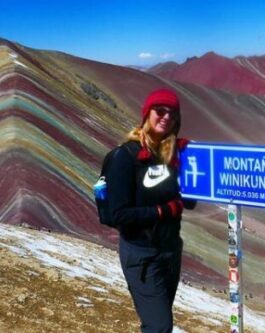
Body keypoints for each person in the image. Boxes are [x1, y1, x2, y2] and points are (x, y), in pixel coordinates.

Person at [97, 88, 196, 332]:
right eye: (160, 111)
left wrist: (194, 163)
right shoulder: (125, 157)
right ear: (146, 115)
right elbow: (119, 215)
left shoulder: (171, 155)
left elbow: (189, 202)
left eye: (172, 114)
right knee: (159, 326)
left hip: (170, 251)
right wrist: (163, 211)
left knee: (159, 323)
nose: (166, 117)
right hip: (141, 254)